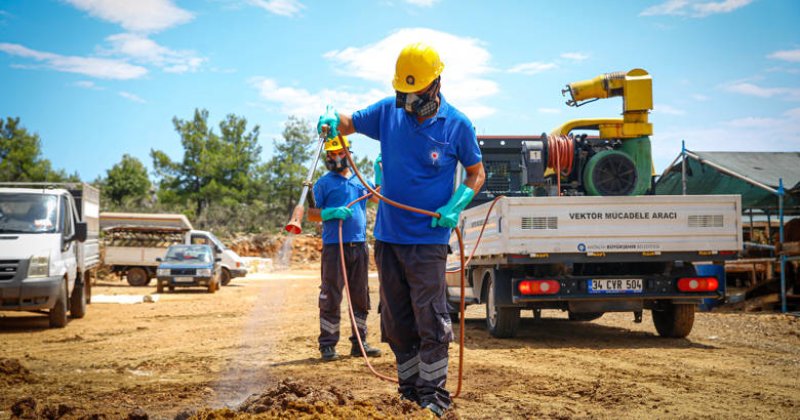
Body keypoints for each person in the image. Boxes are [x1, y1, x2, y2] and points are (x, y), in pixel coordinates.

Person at [317, 42, 486, 416]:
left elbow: (476, 173)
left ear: (435, 85)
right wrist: (331, 117)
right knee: (395, 319)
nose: (409, 100)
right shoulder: (387, 113)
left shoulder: (457, 124)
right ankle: (409, 392)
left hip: (427, 239)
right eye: (403, 92)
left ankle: (434, 397)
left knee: (431, 317)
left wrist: (455, 205)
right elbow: (348, 122)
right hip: (389, 239)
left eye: (417, 93)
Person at [307, 135, 382, 362]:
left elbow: (378, 198)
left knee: (360, 296)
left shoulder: (360, 180)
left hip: (358, 245)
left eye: (340, 153)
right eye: (331, 154)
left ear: (348, 153)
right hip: (334, 246)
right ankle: (328, 345)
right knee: (330, 295)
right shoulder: (323, 184)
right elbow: (311, 214)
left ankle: (360, 343)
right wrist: (330, 213)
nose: (336, 158)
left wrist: (380, 173)